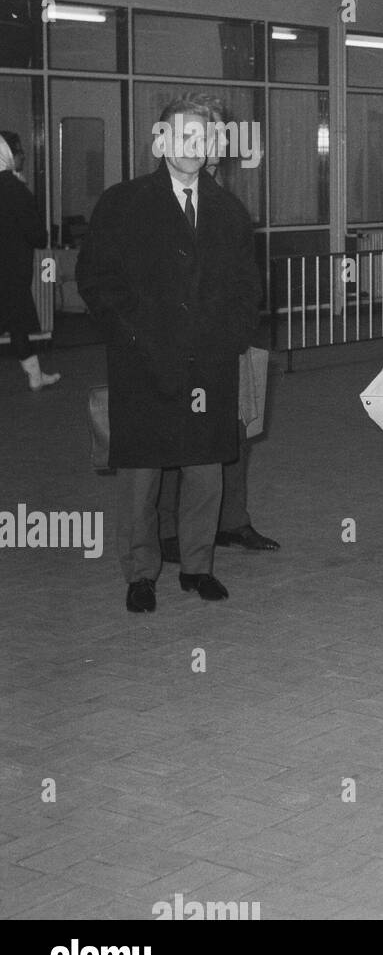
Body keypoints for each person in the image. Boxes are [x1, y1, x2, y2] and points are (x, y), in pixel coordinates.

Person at [77, 94, 260, 613]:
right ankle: (141, 572)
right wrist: (130, 336)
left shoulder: (228, 211)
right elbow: (95, 280)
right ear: (160, 142)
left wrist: (231, 337)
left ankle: (198, 567)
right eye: (183, 136)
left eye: (203, 138)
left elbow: (249, 287)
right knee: (143, 470)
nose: (194, 147)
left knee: (205, 467)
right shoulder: (123, 203)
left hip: (210, 362)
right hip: (144, 359)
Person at [159, 157, 278, 562]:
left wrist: (240, 330)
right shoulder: (150, 206)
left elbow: (246, 277)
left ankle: (232, 521)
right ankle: (167, 531)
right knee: (173, 438)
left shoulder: (226, 208)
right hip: (172, 344)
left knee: (235, 434)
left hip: (223, 343)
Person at [0, 133, 59, 389]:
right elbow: (37, 236)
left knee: (16, 323)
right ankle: (35, 376)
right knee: (17, 322)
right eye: (18, 150)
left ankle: (35, 375)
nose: (22, 154)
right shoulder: (14, 188)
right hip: (11, 270)